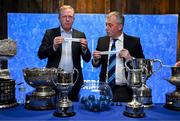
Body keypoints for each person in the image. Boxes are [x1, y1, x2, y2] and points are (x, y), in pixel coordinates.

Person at [38, 5, 91, 101]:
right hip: (53, 80)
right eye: (64, 16)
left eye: (70, 17)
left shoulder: (80, 34)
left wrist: (85, 49)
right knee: (51, 109)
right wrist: (53, 46)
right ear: (59, 18)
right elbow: (40, 54)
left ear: (73, 19)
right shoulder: (50, 33)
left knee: (73, 110)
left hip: (74, 80)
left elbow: (87, 59)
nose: (67, 19)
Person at [92, 11, 145, 102]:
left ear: (120, 26)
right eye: (106, 25)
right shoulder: (102, 41)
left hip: (125, 89)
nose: (106, 28)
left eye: (110, 25)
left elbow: (142, 66)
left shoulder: (133, 42)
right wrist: (95, 59)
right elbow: (96, 64)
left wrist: (129, 58)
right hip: (105, 88)